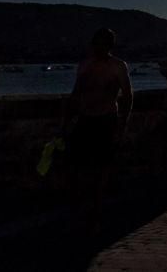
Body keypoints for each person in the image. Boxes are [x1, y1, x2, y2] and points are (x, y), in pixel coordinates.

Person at [64, 28, 132, 233]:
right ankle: (80, 213)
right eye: (95, 44)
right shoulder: (85, 65)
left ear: (109, 46)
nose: (97, 48)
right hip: (85, 120)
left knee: (101, 171)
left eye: (101, 44)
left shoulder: (118, 66)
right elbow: (76, 94)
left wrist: (122, 125)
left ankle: (95, 216)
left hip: (106, 120)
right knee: (79, 169)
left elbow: (128, 96)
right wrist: (65, 123)